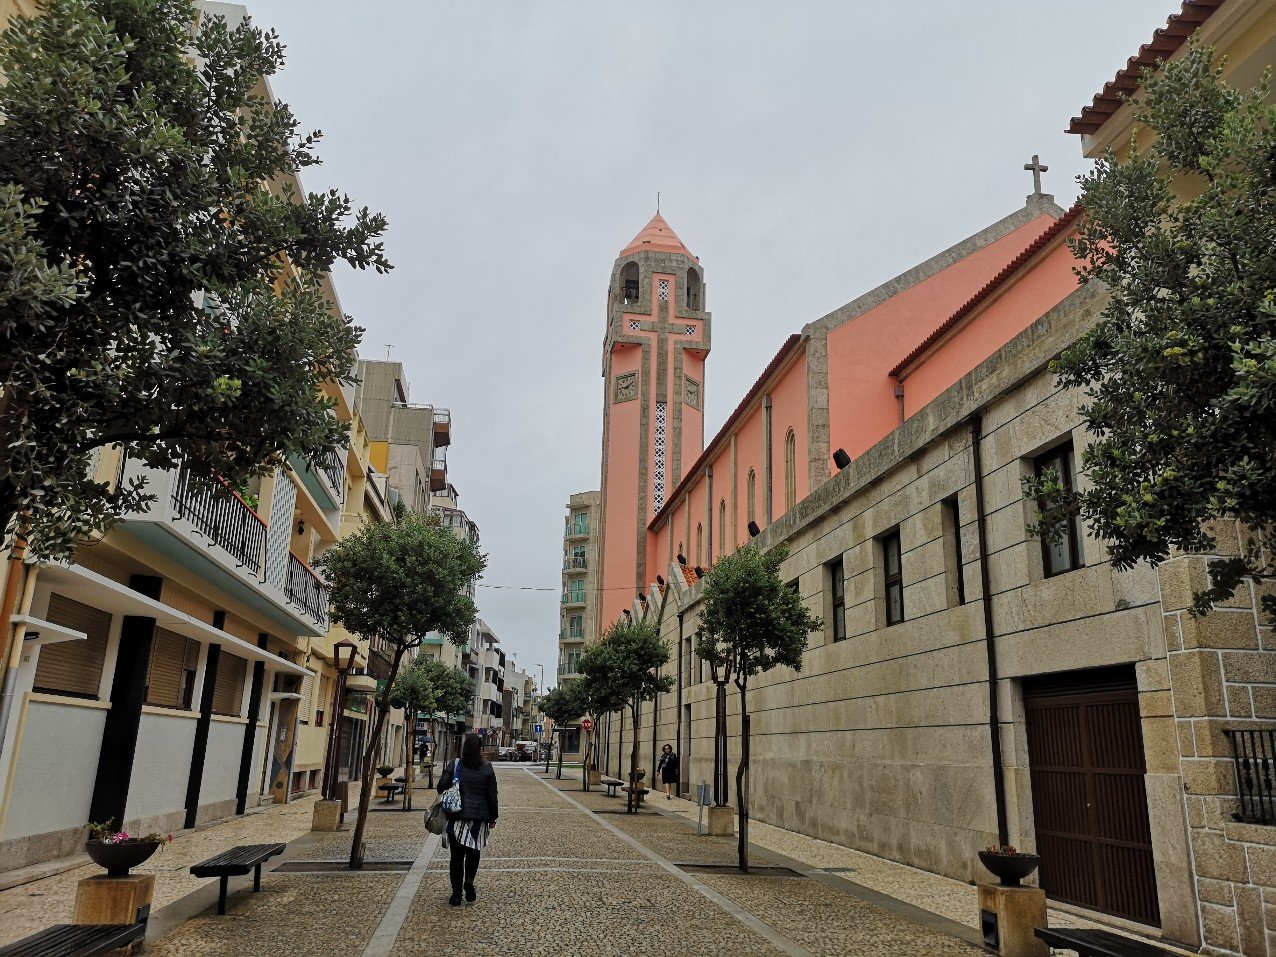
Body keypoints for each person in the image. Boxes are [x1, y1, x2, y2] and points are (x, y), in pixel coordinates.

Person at [437, 732, 498, 905]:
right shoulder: (487, 767)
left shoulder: (455, 764)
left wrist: (451, 779)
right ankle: (469, 880)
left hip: (456, 817)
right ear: (480, 749)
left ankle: (456, 894)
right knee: (474, 852)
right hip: (479, 819)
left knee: (456, 857)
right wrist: (493, 817)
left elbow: (441, 787)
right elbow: (492, 795)